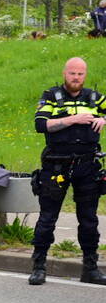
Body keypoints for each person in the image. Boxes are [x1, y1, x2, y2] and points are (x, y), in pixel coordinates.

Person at [29, 57, 106, 285]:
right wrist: (74, 119)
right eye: (72, 73)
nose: (76, 77)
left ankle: (90, 268)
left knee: (89, 220)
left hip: (87, 165)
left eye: (80, 74)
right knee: (47, 218)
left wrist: (103, 119)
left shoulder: (94, 98)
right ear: (65, 73)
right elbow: (40, 125)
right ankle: (38, 266)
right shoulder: (51, 96)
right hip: (56, 165)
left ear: (85, 75)